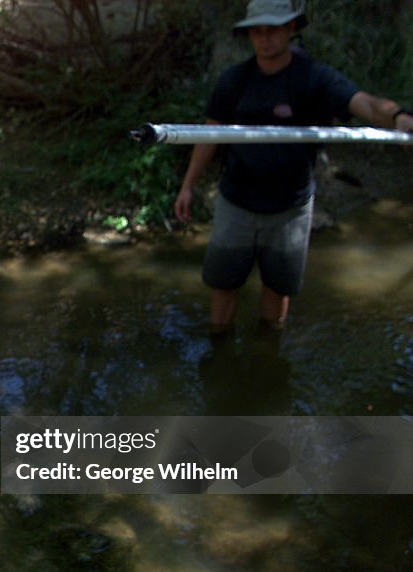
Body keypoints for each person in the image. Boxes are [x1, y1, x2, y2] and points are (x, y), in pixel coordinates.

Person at [173, 0, 413, 332]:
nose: (265, 38)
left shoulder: (314, 78)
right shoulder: (235, 80)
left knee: (278, 287)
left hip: (290, 207)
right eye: (257, 31)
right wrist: (188, 185)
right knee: (223, 282)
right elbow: (209, 134)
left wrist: (399, 115)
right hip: (237, 202)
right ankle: (219, 350)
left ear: (291, 29)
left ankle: (268, 354)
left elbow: (365, 104)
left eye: (273, 30)